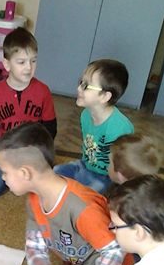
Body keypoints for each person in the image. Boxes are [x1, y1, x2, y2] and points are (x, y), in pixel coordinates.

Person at [0, 123, 134, 265]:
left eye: (5, 172)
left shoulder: (82, 208)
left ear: (25, 173)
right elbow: (34, 244)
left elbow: (114, 252)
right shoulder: (34, 199)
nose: (3, 178)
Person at [0, 27, 56, 199]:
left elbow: (50, 128)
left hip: (33, 153)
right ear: (7, 64)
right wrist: (0, 153)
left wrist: (37, 152)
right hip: (5, 153)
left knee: (48, 189)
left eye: (33, 61)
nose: (29, 67)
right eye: (21, 62)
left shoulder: (43, 91)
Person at [54, 59, 133, 193]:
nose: (78, 88)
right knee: (54, 173)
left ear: (105, 96)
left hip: (107, 177)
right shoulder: (85, 115)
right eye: (80, 82)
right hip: (85, 166)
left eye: (86, 86)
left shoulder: (120, 128)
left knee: (86, 196)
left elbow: (124, 168)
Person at [109, 133, 164, 238]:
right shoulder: (162, 189)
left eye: (109, 162)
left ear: (120, 175)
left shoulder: (127, 204)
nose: (107, 165)